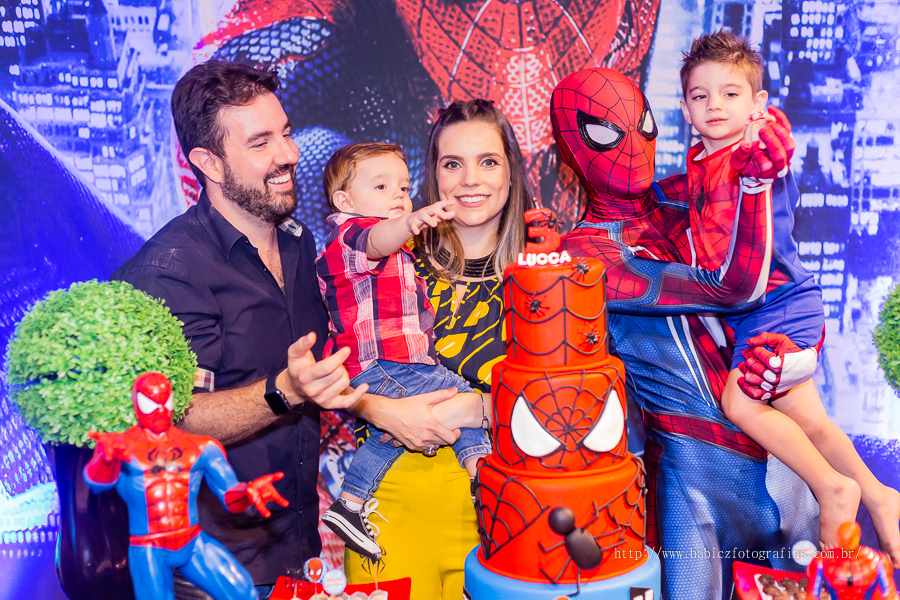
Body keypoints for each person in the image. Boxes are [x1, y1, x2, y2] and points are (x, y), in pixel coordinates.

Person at [553, 67, 820, 600]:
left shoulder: (684, 190)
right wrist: (752, 183)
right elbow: (733, 287)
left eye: (643, 123)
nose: (634, 144)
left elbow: (772, 235)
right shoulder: (585, 253)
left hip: (778, 445)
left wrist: (765, 161)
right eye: (606, 131)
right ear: (570, 150)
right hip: (694, 471)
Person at [112, 60, 367, 599]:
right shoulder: (168, 273)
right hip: (206, 572)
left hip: (299, 553)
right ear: (209, 163)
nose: (289, 155)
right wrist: (283, 391)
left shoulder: (298, 242)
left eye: (287, 133)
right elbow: (171, 421)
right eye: (261, 143)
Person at [678, 30, 900, 561]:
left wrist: (764, 150)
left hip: (779, 306)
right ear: (685, 106)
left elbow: (769, 160)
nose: (714, 106)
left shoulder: (755, 156)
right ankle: (879, 495)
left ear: (757, 105)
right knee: (811, 421)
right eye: (700, 95)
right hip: (753, 312)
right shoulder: (697, 162)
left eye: (731, 94)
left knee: (740, 401)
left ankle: (831, 488)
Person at [342, 99, 531, 599]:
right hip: (389, 509)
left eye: (488, 161)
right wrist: (376, 407)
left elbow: (580, 401)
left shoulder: (547, 275)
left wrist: (483, 406)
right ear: (434, 177)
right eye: (453, 164)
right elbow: (327, 369)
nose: (470, 179)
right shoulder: (388, 263)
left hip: (506, 514)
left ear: (512, 172)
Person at [315, 142, 491, 560]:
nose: (398, 195)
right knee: (455, 392)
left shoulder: (399, 251)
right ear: (345, 201)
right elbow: (377, 238)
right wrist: (412, 220)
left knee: (394, 430)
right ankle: (480, 474)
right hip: (381, 363)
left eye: (404, 187)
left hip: (397, 363)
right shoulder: (351, 237)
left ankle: (351, 503)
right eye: (382, 186)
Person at [84, 372, 289, 600]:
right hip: (149, 547)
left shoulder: (199, 446)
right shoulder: (123, 446)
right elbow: (97, 485)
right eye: (150, 402)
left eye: (165, 400)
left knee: (243, 592)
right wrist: (106, 459)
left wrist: (248, 492)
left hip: (191, 541)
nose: (160, 409)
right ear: (136, 403)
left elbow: (230, 495)